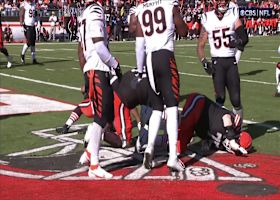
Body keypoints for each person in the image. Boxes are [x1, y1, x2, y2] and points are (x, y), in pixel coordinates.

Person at [134, 0, 187, 172]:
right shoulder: (169, 4)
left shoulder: (143, 8)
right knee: (171, 106)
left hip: (149, 58)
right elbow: (184, 31)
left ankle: (149, 148)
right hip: (165, 56)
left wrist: (140, 69)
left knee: (156, 106)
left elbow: (139, 42)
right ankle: (172, 156)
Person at [77, 0, 121, 179]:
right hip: (98, 65)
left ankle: (89, 153)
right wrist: (115, 64)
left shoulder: (85, 13)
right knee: (102, 116)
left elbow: (80, 50)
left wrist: (85, 73)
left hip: (92, 66)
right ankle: (94, 164)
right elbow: (99, 46)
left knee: (106, 113)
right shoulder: (95, 10)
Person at [136, 93, 252, 156]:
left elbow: (211, 137)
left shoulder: (223, 145)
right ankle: (150, 119)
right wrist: (231, 135)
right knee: (183, 128)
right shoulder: (234, 126)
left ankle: (150, 140)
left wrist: (208, 143)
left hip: (196, 124)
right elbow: (226, 117)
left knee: (177, 149)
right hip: (199, 104)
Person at [197, 0, 248, 120]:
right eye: (220, 1)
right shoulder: (207, 18)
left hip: (231, 62)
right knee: (220, 98)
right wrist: (204, 62)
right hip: (217, 63)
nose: (223, 3)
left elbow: (244, 37)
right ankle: (221, 129)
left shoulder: (232, 15)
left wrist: (237, 42)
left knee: (236, 99)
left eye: (225, 1)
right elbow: (200, 46)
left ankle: (237, 128)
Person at [19, 0, 38, 64]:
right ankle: (22, 54)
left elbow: (35, 14)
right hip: (27, 25)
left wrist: (37, 21)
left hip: (32, 25)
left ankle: (34, 59)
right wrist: (21, 24)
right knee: (29, 42)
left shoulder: (33, 4)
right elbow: (21, 14)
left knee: (33, 42)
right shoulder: (24, 4)